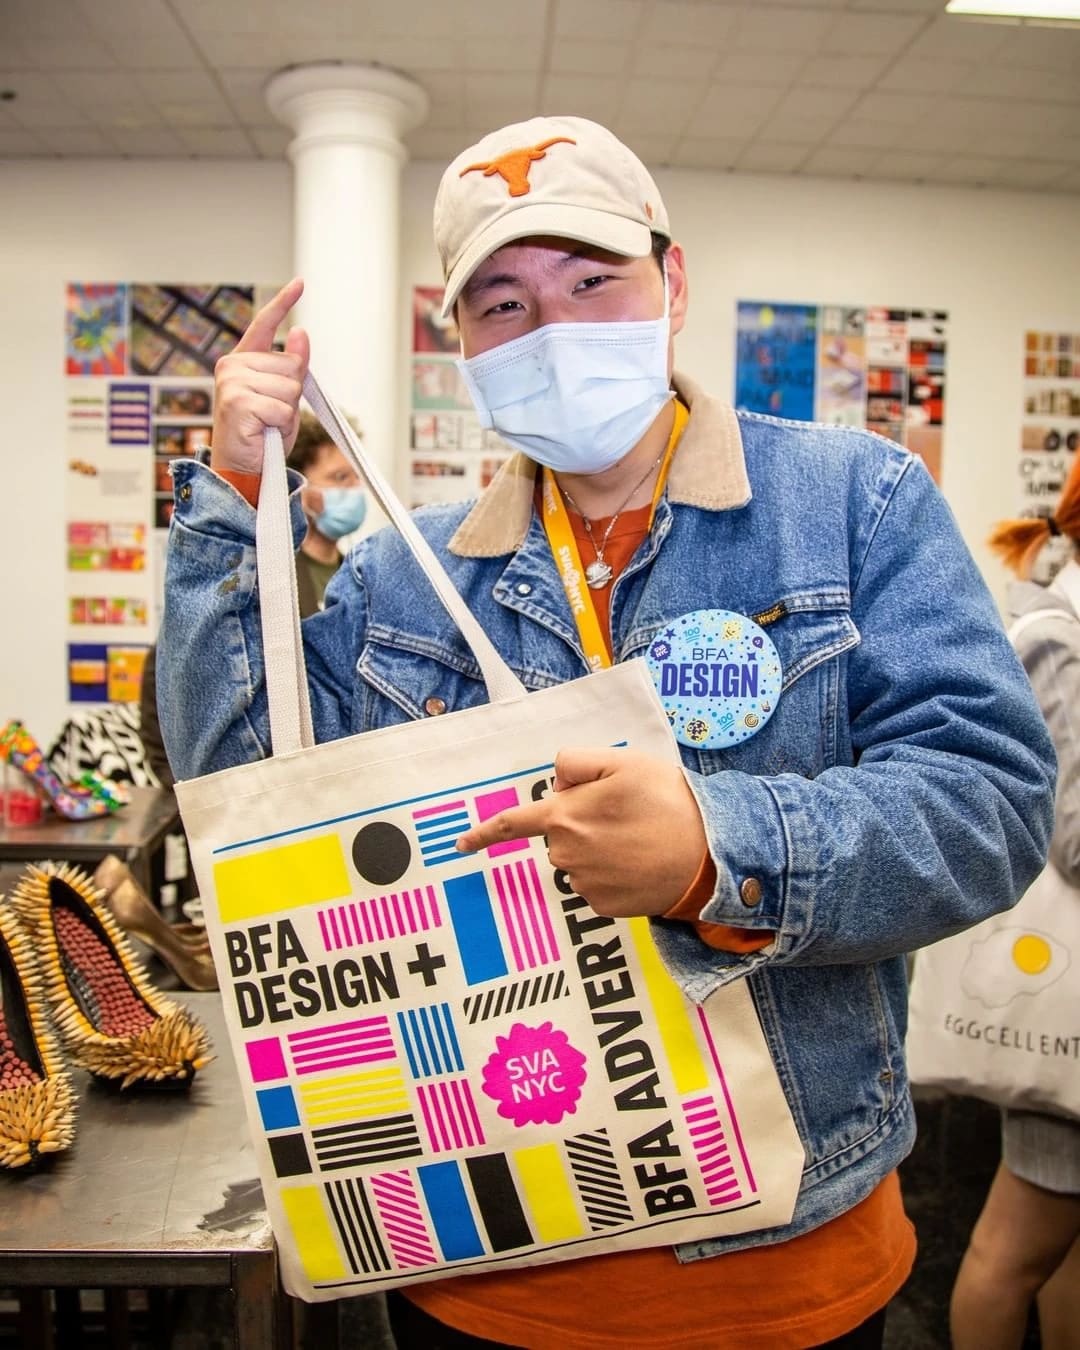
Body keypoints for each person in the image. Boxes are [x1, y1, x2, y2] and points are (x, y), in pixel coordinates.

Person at [158, 115, 1056, 1349]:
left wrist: (715, 846)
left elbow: (990, 805)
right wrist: (230, 508)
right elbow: (238, 803)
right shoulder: (402, 583)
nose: (555, 329)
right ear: (461, 341)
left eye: (592, 282)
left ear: (671, 282)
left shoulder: (856, 505)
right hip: (481, 1259)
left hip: (781, 1261)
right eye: (504, 305)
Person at [949, 492, 1080, 1350]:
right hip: (1063, 1005)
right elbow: (1070, 836)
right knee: (1012, 1248)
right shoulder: (1057, 640)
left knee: (1062, 1244)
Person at [285, 408, 367, 616]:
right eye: (340, 477)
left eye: (356, 476)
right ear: (297, 486)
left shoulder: (358, 575)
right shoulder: (275, 577)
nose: (354, 488)